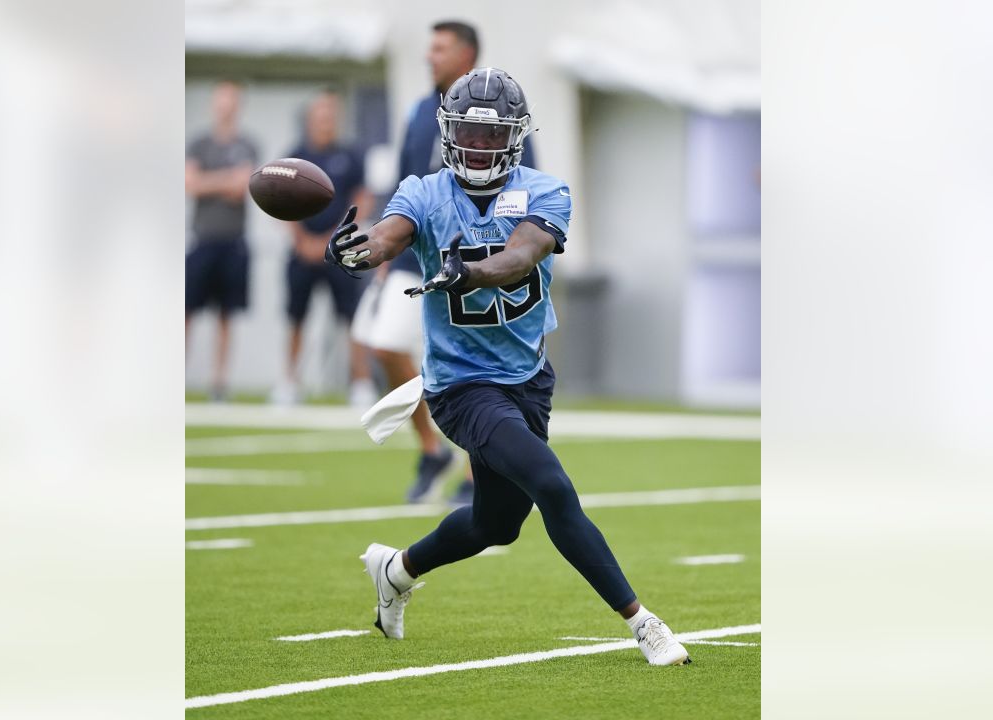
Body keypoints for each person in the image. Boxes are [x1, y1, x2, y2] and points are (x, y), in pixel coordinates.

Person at [327, 68, 691, 666]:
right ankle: (643, 623)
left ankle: (396, 569)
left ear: (517, 138)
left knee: (496, 525)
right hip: (461, 385)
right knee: (551, 483)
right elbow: (391, 236)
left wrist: (468, 272)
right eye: (468, 133)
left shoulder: (546, 191)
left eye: (493, 136)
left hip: (527, 379)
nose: (479, 147)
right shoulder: (423, 190)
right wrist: (360, 249)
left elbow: (521, 256)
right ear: (449, 134)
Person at [352, 20, 537, 505]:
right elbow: (403, 182)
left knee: (483, 364)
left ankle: (479, 474)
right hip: (420, 253)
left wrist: (506, 256)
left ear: (468, 53)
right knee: (386, 343)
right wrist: (383, 245)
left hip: (480, 257)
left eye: (441, 48)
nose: (430, 56)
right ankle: (433, 449)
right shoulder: (419, 111)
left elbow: (527, 185)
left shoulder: (505, 109)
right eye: (429, 48)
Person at [273, 90, 376, 408]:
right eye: (320, 115)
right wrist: (301, 240)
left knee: (352, 318)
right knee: (295, 318)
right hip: (302, 251)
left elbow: (363, 198)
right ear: (310, 119)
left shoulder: (351, 155)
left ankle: (360, 383)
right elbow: (280, 200)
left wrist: (336, 238)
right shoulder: (295, 155)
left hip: (340, 251)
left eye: (331, 115)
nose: (325, 121)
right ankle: (289, 383)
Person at [185, 80, 259, 402]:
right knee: (186, 311)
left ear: (237, 105)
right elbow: (190, 184)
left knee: (226, 315)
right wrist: (223, 180)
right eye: (221, 100)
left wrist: (210, 180)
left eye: (231, 100)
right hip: (202, 239)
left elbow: (243, 186)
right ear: (214, 104)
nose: (225, 106)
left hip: (234, 240)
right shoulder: (199, 143)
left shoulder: (248, 144)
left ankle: (219, 383)